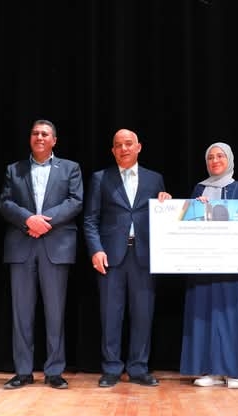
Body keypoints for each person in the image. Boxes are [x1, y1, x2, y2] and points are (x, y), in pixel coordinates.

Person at [0, 119, 83, 390]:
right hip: (22, 246)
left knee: (55, 313)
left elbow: (75, 201)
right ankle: (23, 372)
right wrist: (28, 220)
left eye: (45, 134)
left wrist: (44, 221)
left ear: (54, 140)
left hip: (55, 246)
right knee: (21, 313)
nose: (40, 137)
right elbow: (5, 203)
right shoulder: (14, 169)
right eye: (35, 133)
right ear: (30, 138)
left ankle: (54, 371)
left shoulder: (70, 168)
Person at [83, 128, 171, 388]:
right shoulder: (100, 178)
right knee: (111, 315)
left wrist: (166, 201)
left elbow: (163, 216)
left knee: (143, 314)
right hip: (110, 257)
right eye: (118, 145)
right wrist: (96, 249)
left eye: (128, 143)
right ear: (112, 150)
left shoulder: (155, 179)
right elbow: (90, 219)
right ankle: (111, 368)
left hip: (144, 256)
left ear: (138, 147)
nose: (124, 148)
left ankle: (138, 368)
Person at [179, 142, 238, 389]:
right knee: (206, 316)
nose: (215, 161)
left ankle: (235, 372)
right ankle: (211, 371)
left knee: (232, 314)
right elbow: (186, 224)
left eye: (220, 156)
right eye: (210, 157)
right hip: (204, 265)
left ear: (230, 159)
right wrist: (195, 208)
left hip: (234, 265)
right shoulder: (199, 188)